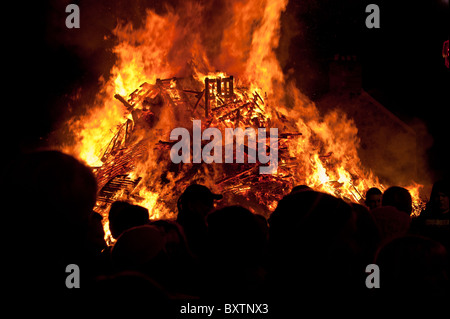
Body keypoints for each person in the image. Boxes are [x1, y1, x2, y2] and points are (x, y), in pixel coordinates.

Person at [176, 183, 222, 257]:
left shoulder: (183, 227)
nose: (211, 207)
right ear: (190, 205)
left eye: (211, 202)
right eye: (207, 202)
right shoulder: (194, 231)